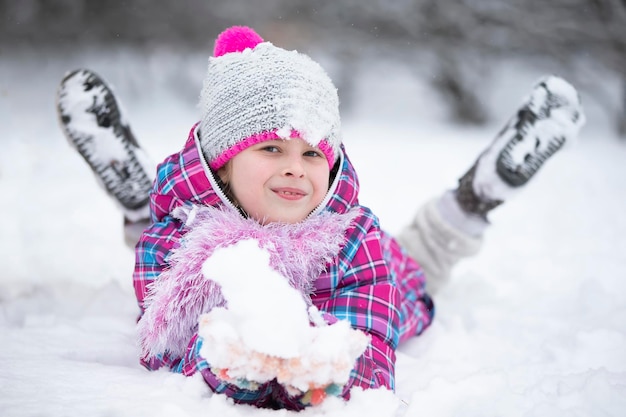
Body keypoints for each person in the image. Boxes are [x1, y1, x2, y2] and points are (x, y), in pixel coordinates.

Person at [55, 26, 585, 410]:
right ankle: (139, 202)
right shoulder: (178, 241)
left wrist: (327, 371)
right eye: (270, 148)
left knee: (423, 256)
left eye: (313, 155)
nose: (296, 169)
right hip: (193, 215)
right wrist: (231, 362)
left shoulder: (352, 236)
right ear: (221, 161)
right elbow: (163, 340)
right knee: (165, 227)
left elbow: (371, 344)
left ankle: (477, 196)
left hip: (381, 274)